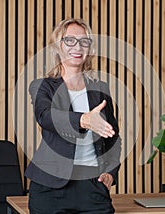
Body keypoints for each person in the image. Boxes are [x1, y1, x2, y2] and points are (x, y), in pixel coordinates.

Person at [25, 18, 121, 214]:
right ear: (58, 46)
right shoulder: (42, 86)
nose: (77, 47)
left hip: (93, 186)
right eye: (70, 40)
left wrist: (111, 173)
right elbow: (46, 116)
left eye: (84, 41)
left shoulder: (100, 89)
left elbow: (113, 138)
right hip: (50, 188)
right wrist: (83, 120)